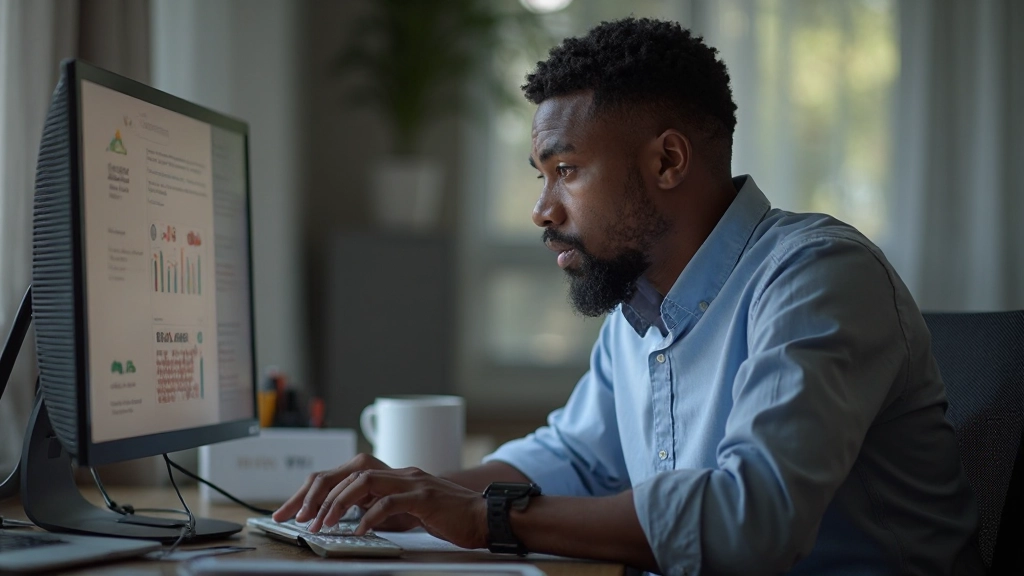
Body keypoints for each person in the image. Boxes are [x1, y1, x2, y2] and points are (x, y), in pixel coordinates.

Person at [275, 17, 981, 575]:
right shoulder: (638, 310)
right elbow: (577, 460)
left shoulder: (817, 276)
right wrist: (410, 496)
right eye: (540, 175)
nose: (541, 209)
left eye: (567, 169)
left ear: (668, 160)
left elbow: (750, 521)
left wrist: (488, 517)